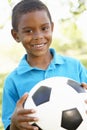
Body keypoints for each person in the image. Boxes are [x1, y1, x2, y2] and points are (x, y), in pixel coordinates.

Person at [2, 0, 87, 130]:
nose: (38, 36)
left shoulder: (75, 66)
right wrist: (14, 124)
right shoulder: (13, 81)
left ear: (52, 28)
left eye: (44, 28)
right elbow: (10, 125)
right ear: (16, 35)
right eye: (28, 31)